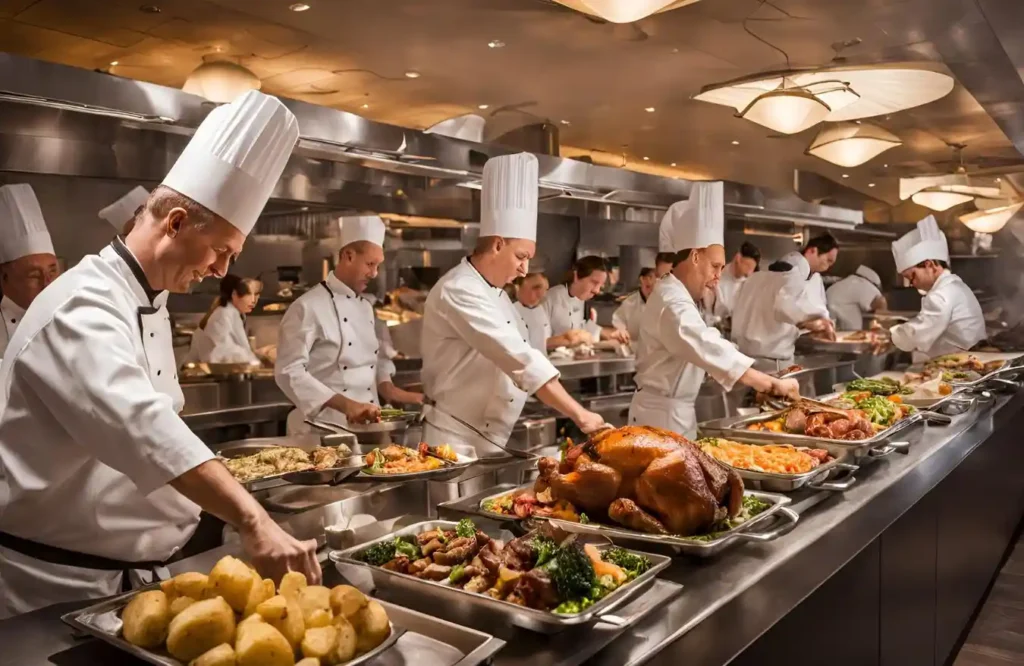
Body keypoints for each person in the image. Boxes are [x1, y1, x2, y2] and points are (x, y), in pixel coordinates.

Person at [0, 90, 319, 618]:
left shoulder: (147, 300)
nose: (221, 271)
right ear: (174, 223)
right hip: (54, 589)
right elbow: (142, 424)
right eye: (222, 251)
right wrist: (254, 520)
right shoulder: (81, 304)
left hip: (126, 581)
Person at [420, 152, 607, 454]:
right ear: (497, 244)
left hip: (491, 438)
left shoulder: (496, 294)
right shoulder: (459, 290)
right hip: (453, 441)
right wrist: (580, 414)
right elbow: (518, 358)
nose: (524, 270)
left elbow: (527, 354)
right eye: (521, 257)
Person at [630, 181, 799, 437]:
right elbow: (702, 341)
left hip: (674, 413)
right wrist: (768, 382)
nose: (718, 277)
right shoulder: (671, 301)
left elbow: (706, 343)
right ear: (695, 257)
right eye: (715, 266)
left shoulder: (679, 294)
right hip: (660, 418)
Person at [276, 215, 423, 433]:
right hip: (323, 429)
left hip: (369, 428)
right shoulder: (307, 307)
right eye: (370, 264)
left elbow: (376, 360)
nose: (374, 273)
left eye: (378, 265)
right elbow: (288, 371)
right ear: (348, 256)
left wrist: (392, 391)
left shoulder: (366, 307)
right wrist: (347, 406)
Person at [889, 215, 985, 359]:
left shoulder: (941, 295)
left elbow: (919, 333)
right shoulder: (954, 285)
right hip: (966, 360)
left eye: (912, 276)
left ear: (929, 265)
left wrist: (888, 336)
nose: (912, 284)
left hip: (960, 366)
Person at [731, 257, 835, 372]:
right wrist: (820, 320)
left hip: (742, 360)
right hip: (773, 363)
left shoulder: (753, 279)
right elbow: (789, 307)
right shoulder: (787, 280)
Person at [0, 184, 60, 360]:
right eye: (34, 275)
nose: (47, 284)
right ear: (4, 277)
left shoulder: (70, 323)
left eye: (53, 271)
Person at [541, 255, 630, 344]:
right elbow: (540, 343)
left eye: (601, 286)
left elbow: (582, 326)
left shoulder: (581, 299)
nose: (597, 291)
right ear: (576, 276)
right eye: (594, 282)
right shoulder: (549, 299)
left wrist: (611, 334)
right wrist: (570, 340)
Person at [186, 274, 262, 365]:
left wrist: (255, 354)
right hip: (204, 373)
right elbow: (224, 351)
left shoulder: (232, 313)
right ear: (234, 294)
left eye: (256, 294)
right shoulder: (223, 314)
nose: (254, 300)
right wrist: (253, 360)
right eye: (248, 294)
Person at [783, 233, 839, 318]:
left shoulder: (816, 277)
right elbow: (785, 307)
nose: (830, 265)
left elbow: (820, 306)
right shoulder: (789, 267)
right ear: (812, 251)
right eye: (828, 260)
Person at [706, 241, 760, 321]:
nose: (749, 273)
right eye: (748, 266)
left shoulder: (748, 284)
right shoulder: (716, 276)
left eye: (752, 269)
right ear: (738, 258)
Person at [826, 265, 887, 331]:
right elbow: (881, 301)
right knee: (854, 333)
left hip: (828, 298)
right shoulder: (868, 287)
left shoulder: (852, 280)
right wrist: (885, 321)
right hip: (840, 304)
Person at [611, 267, 656, 342]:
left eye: (654, 288)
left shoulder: (667, 301)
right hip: (633, 346)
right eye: (648, 287)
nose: (651, 292)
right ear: (642, 280)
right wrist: (621, 330)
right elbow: (618, 320)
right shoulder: (630, 302)